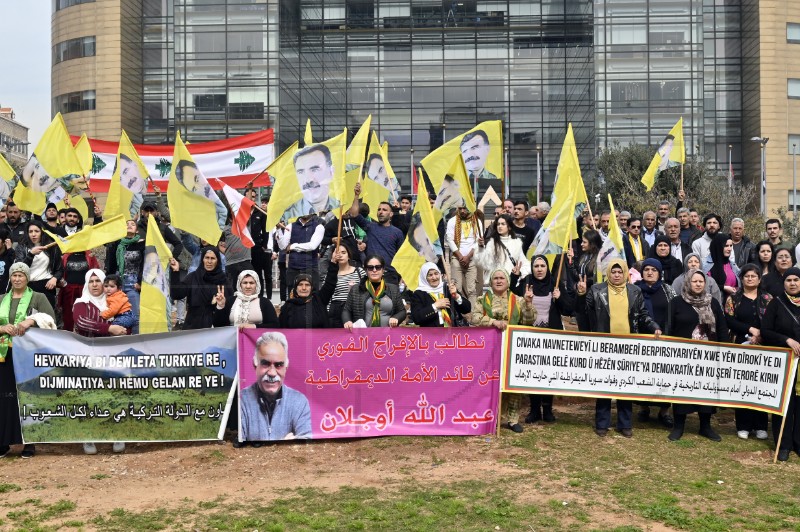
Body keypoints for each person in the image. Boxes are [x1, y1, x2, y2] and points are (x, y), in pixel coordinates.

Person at [576, 259, 662, 438]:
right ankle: (602, 423)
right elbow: (583, 311)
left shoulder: (635, 291)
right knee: (604, 384)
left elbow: (642, 315)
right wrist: (581, 294)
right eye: (613, 272)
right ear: (609, 273)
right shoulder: (597, 290)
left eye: (619, 272)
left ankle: (625, 423)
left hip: (627, 347)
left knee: (625, 384)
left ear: (625, 274)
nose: (616, 275)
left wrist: (654, 326)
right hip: (604, 346)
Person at [72, 268, 132, 455]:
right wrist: (109, 328)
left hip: (114, 354)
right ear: (86, 284)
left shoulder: (114, 300)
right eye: (92, 281)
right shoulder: (81, 302)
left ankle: (117, 434)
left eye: (99, 281)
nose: (96, 285)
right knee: (90, 395)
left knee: (114, 393)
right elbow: (82, 322)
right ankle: (89, 436)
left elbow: (127, 325)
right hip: (89, 355)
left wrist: (120, 329)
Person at [0, 263, 56, 459]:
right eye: (14, 275)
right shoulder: (1, 299)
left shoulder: (38, 297)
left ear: (27, 278)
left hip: (29, 356)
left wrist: (31, 321)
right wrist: (2, 328)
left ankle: (29, 443)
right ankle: (4, 441)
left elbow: (51, 319)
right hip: (4, 355)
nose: (17, 279)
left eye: (21, 275)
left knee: (27, 396)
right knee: (5, 398)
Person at [666, 269, 729, 442]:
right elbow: (669, 329)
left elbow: (722, 328)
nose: (698, 284)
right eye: (694, 281)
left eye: (701, 281)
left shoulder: (713, 303)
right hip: (683, 357)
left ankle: (705, 427)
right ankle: (678, 427)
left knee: (706, 391)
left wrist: (724, 350)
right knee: (682, 391)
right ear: (687, 282)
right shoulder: (676, 302)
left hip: (708, 357)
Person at [513, 255, 575, 423]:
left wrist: (559, 296)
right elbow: (512, 296)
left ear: (547, 268)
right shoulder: (526, 283)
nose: (539, 269)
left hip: (550, 338)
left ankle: (547, 409)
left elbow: (569, 309)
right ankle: (534, 410)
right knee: (533, 374)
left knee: (548, 374)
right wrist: (514, 277)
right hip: (530, 338)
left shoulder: (555, 283)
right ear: (532, 268)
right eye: (536, 266)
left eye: (542, 266)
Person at [472, 269, 535, 432]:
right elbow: (475, 318)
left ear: (508, 282)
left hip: (512, 348)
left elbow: (529, 321)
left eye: (502, 278)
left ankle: (513, 419)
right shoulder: (481, 299)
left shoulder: (519, 300)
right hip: (489, 350)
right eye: (495, 278)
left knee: (512, 382)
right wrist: (493, 322)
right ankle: (493, 417)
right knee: (491, 383)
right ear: (490, 282)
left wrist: (528, 304)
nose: (499, 281)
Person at [724, 263, 772, 441]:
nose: (750, 279)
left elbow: (772, 320)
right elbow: (729, 320)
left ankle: (760, 425)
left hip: (764, 345)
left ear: (760, 279)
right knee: (743, 385)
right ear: (742, 278)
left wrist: (761, 335)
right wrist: (750, 330)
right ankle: (743, 425)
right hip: (741, 345)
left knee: (761, 385)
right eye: (747, 276)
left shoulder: (767, 298)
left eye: (754, 276)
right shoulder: (733, 298)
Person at [240, 331, 312, 442]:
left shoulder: (299, 402)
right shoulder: (242, 400)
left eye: (278, 365)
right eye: (265, 364)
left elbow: (305, 446)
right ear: (255, 365)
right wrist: (285, 446)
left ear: (286, 367)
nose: (272, 373)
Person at [761, 267, 800, 461]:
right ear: (783, 283)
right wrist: (787, 340)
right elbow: (766, 331)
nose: (792, 283)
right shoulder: (776, 304)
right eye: (789, 280)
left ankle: (797, 442)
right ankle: (783, 444)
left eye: (796, 280)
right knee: (785, 403)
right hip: (784, 360)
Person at [634, 258, 677, 428]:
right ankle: (643, 407)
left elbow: (674, 312)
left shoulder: (668, 289)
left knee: (663, 375)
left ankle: (664, 411)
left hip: (664, 339)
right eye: (646, 269)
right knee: (643, 374)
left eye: (654, 270)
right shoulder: (635, 289)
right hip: (641, 338)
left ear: (659, 273)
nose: (650, 272)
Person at [349, 183, 405, 284]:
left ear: (391, 214)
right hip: (372, 272)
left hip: (390, 275)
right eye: (379, 209)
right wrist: (356, 195)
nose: (380, 212)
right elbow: (353, 214)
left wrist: (403, 276)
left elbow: (402, 256)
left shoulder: (397, 232)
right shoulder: (370, 226)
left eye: (384, 210)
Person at [169, 246, 232, 330]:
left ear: (218, 261)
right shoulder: (193, 277)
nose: (209, 261)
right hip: (193, 326)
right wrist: (175, 272)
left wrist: (221, 302)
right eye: (207, 258)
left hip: (215, 328)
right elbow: (177, 294)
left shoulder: (223, 280)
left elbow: (230, 305)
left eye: (212, 258)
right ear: (202, 259)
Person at [342, 255, 406, 330]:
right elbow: (346, 310)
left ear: (383, 270)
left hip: (388, 335)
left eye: (378, 267)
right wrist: (347, 321)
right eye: (370, 267)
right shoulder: (356, 289)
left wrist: (396, 318)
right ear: (366, 270)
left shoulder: (393, 289)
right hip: (362, 336)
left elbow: (402, 311)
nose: (374, 270)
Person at [105, 219, 144, 333]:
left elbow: (144, 264)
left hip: (134, 283)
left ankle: (135, 341)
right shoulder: (117, 243)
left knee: (135, 316)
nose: (129, 226)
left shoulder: (142, 243)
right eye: (127, 224)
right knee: (115, 314)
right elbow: (111, 263)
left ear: (136, 230)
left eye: (132, 224)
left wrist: (140, 282)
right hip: (118, 283)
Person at [284, 144, 340, 220]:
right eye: (301, 172)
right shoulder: (288, 215)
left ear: (331, 172)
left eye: (314, 170)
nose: (308, 179)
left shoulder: (341, 209)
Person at [15, 220, 62, 309]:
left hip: (46, 286)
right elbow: (19, 269)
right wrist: (31, 254)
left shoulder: (51, 247)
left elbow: (59, 269)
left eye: (36, 231)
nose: (33, 234)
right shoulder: (22, 247)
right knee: (28, 318)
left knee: (46, 319)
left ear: (42, 232)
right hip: (27, 286)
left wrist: (55, 278)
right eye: (30, 231)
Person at [475, 214, 529, 287]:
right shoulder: (492, 243)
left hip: (511, 282)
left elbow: (523, 263)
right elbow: (485, 264)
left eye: (503, 224)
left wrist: (521, 273)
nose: (500, 226)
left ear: (509, 227)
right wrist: (481, 247)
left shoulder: (517, 243)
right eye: (498, 224)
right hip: (496, 282)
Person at [410, 262, 471, 327]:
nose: (434, 277)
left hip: (452, 331)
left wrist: (457, 296)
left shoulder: (448, 288)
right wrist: (435, 306)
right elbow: (416, 318)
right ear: (424, 278)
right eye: (430, 275)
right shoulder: (419, 294)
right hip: (432, 333)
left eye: (436, 274)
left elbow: (467, 309)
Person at [174, 160, 227, 228]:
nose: (199, 187)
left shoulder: (222, 194)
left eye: (197, 179)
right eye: (194, 189)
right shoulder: (195, 212)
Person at [325, 241, 364, 329]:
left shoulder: (359, 272)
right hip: (336, 310)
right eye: (337, 253)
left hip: (355, 309)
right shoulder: (330, 274)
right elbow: (327, 297)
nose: (341, 255)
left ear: (349, 255)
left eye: (343, 252)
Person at [446, 206, 478, 306]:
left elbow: (478, 240)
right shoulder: (452, 221)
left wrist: (468, 257)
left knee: (472, 290)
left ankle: (473, 314)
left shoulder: (477, 221)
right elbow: (450, 240)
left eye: (465, 208)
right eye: (460, 209)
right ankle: (458, 315)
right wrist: (460, 257)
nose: (463, 211)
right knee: (457, 289)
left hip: (472, 259)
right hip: (456, 258)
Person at [704, 233, 739, 298]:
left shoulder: (732, 265)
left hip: (733, 303)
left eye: (731, 246)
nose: (729, 249)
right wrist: (723, 287)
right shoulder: (706, 265)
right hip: (715, 303)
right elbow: (704, 286)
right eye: (726, 246)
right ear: (718, 246)